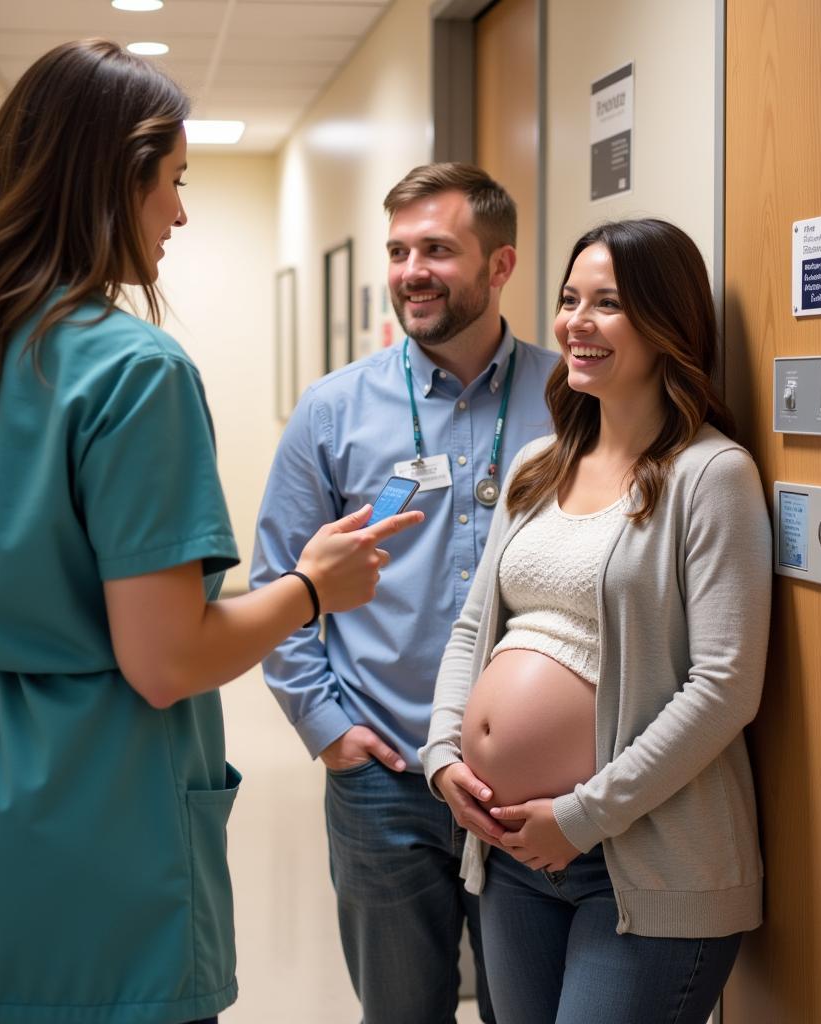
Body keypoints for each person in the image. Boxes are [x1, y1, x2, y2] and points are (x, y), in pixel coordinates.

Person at [0, 39, 422, 1024]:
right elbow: (165, 659)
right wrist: (312, 589)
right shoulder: (133, 371)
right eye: (170, 183)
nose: (179, 212)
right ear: (109, 182)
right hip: (71, 837)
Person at [420, 218, 771, 1024]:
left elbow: (724, 688)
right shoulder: (537, 467)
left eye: (607, 303)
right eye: (570, 298)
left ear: (666, 323)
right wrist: (444, 757)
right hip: (512, 857)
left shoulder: (710, 475)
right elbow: (475, 631)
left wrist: (581, 818)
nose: (576, 322)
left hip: (640, 865)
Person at [251, 163, 558, 1023]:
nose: (410, 270)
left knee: (524, 1009)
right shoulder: (333, 411)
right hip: (383, 771)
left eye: (437, 249)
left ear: (500, 267)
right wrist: (327, 728)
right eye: (397, 250)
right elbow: (279, 580)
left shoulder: (570, 400)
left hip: (524, 783)